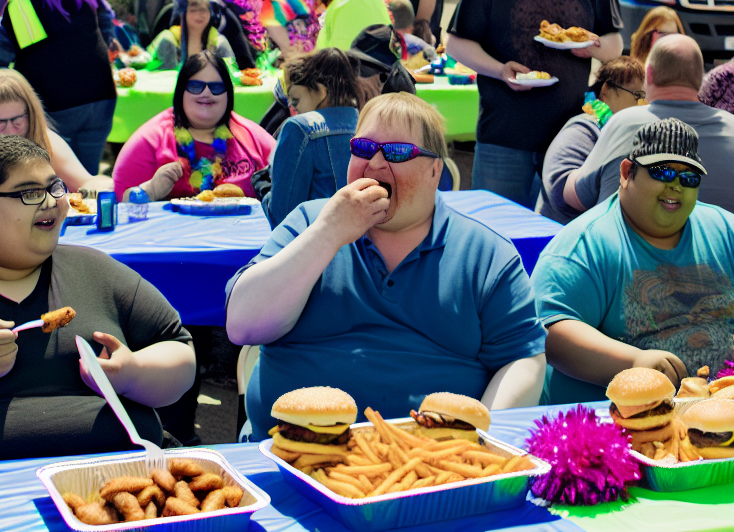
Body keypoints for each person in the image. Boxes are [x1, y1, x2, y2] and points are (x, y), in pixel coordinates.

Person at [226, 94, 547, 429]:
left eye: (395, 152)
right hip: (289, 454)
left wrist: (480, 439)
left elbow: (522, 358)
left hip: (433, 466)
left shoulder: (485, 253)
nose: (375, 164)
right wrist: (329, 233)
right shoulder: (309, 222)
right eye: (363, 148)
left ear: (435, 171)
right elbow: (243, 324)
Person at [532, 118, 734, 404]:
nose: (676, 186)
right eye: (662, 172)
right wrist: (633, 361)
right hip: (618, 423)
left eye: (689, 178)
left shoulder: (727, 230)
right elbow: (548, 329)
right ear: (627, 173)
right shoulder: (584, 244)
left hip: (733, 411)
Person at [0, 136, 195, 460]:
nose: (50, 202)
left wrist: (133, 372)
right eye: (30, 193)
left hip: (121, 487)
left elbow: (179, 348)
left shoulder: (95, 270)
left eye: (55, 188)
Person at [446, 0, 623, 207]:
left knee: (555, 237)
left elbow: (614, 42)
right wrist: (500, 71)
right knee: (496, 234)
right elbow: (456, 43)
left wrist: (590, 47)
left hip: (568, 140)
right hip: (502, 138)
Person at [563, 35, 734, 221]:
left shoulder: (625, 123)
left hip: (636, 256)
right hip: (726, 256)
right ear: (700, 79)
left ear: (648, 75)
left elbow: (576, 198)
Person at [0, 0, 117, 174]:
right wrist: (93, 47)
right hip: (101, 96)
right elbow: (107, 16)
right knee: (87, 180)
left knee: (56, 182)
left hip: (59, 105)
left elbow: (7, 57)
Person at [112, 49, 275, 200]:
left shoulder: (251, 136)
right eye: (195, 86)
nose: (206, 93)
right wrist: (150, 191)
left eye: (217, 87)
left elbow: (290, 180)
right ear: (181, 92)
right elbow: (119, 203)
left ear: (229, 95)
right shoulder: (150, 140)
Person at [537, 56, 646, 224]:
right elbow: (559, 188)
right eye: (637, 95)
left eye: (646, 98)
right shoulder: (584, 127)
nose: (642, 104)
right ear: (606, 91)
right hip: (562, 235)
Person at [0, 70, 113, 194]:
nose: (10, 131)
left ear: (31, 115)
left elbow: (85, 182)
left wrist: (104, 186)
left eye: (18, 120)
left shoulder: (45, 142)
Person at [263, 49, 362, 228]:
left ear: (322, 91)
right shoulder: (367, 121)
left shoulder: (299, 128)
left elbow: (282, 217)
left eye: (296, 100)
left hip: (316, 247)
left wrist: (264, 191)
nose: (294, 109)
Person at [148, 0, 235, 70]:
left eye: (203, 10)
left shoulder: (219, 42)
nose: (198, 15)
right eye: (193, 11)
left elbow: (232, 74)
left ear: (210, 14)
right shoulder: (168, 39)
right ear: (184, 15)